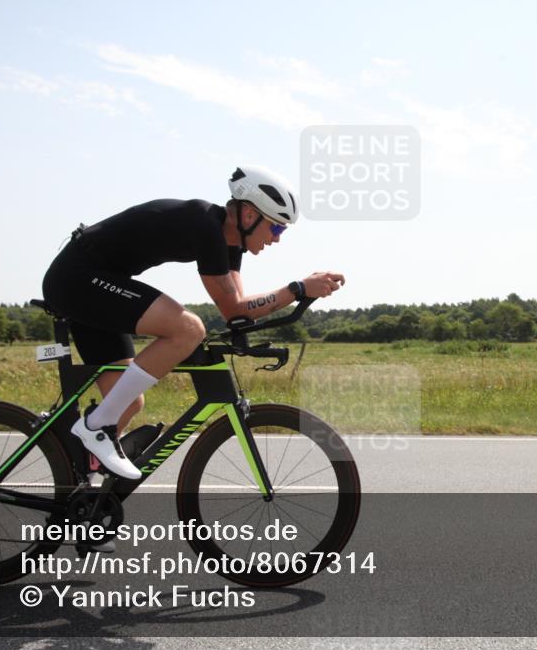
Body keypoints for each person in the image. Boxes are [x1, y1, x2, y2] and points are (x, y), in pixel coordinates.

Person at [41, 166, 345, 480]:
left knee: (128, 403)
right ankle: (96, 427)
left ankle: (81, 489)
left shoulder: (229, 244)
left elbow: (238, 311)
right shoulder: (205, 227)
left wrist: (294, 295)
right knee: (188, 329)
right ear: (249, 216)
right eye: (277, 229)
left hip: (96, 285)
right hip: (76, 278)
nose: (277, 239)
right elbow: (233, 306)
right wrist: (297, 289)